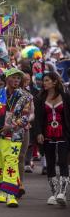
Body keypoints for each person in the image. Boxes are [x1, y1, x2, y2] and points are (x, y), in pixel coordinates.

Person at [0, 68, 33, 208]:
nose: (16, 80)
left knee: (11, 162)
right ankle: (2, 192)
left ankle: (11, 195)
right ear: (7, 79)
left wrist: (15, 125)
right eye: (13, 78)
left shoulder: (25, 96)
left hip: (14, 134)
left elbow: (27, 116)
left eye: (18, 78)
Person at [35, 72, 70, 206]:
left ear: (55, 82)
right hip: (47, 135)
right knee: (50, 164)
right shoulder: (40, 99)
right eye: (44, 81)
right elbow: (37, 119)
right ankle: (54, 193)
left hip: (63, 134)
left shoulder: (66, 97)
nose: (44, 83)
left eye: (47, 80)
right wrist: (38, 133)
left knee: (62, 161)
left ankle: (62, 192)